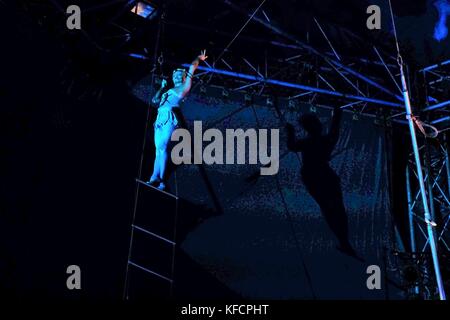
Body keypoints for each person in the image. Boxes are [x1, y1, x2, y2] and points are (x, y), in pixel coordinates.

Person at [286, 107, 357, 257]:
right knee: (331, 208)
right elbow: (292, 146)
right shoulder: (316, 141)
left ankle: (344, 242)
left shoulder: (320, 141)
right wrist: (290, 132)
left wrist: (290, 132)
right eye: (314, 124)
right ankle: (344, 242)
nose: (318, 125)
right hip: (316, 176)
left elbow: (292, 146)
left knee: (335, 209)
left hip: (322, 175)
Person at [148, 50, 208, 190]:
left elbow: (192, 67)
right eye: (174, 75)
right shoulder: (168, 90)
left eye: (179, 75)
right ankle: (153, 177)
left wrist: (198, 58)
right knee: (158, 150)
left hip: (169, 118)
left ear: (183, 78)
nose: (176, 77)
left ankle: (162, 181)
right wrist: (162, 88)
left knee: (162, 148)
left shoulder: (184, 87)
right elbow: (155, 99)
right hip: (159, 119)